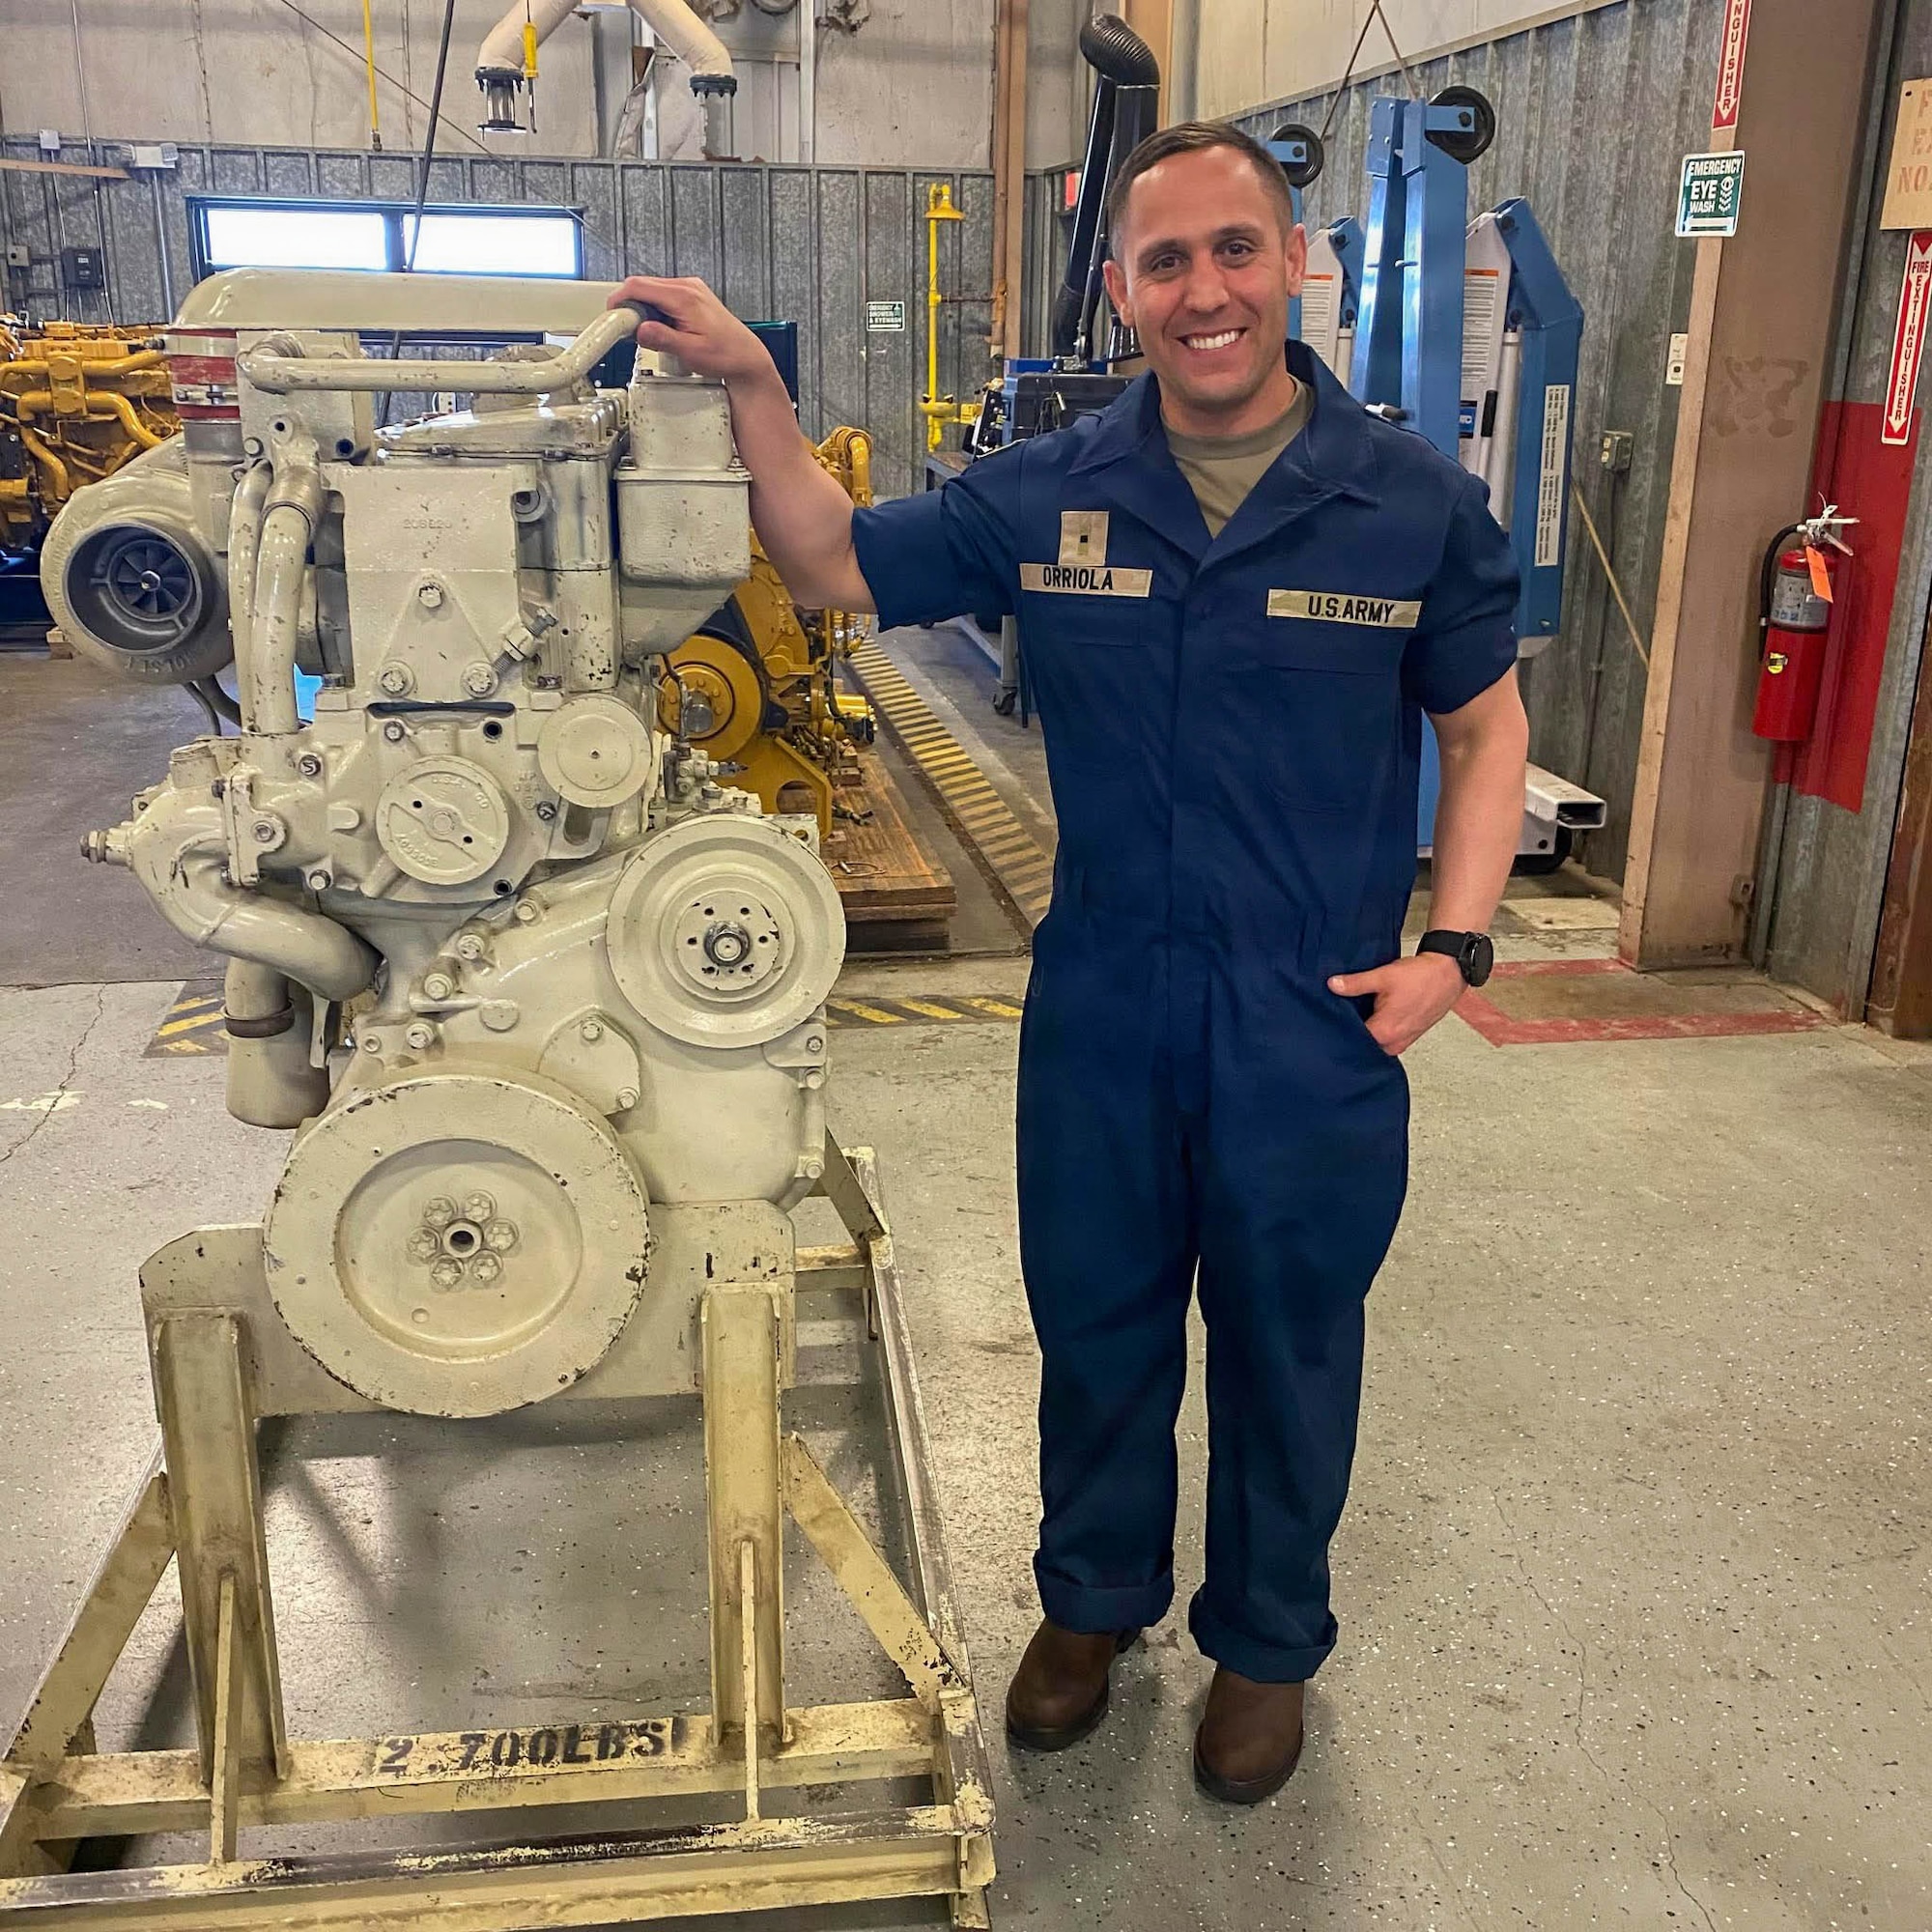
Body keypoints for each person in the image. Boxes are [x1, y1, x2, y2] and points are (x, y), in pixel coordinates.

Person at [610, 118, 1529, 1806]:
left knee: (1289, 1340)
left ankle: (1266, 1645)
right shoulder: (1054, 490)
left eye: (1235, 251)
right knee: (1099, 1319)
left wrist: (1453, 950)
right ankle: (1094, 1606)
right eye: (1167, 262)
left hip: (1308, 1017)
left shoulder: (1409, 506)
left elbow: (1483, 734)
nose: (1205, 292)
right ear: (1123, 290)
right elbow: (830, 559)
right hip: (1104, 998)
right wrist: (753, 386)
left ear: (1293, 264)